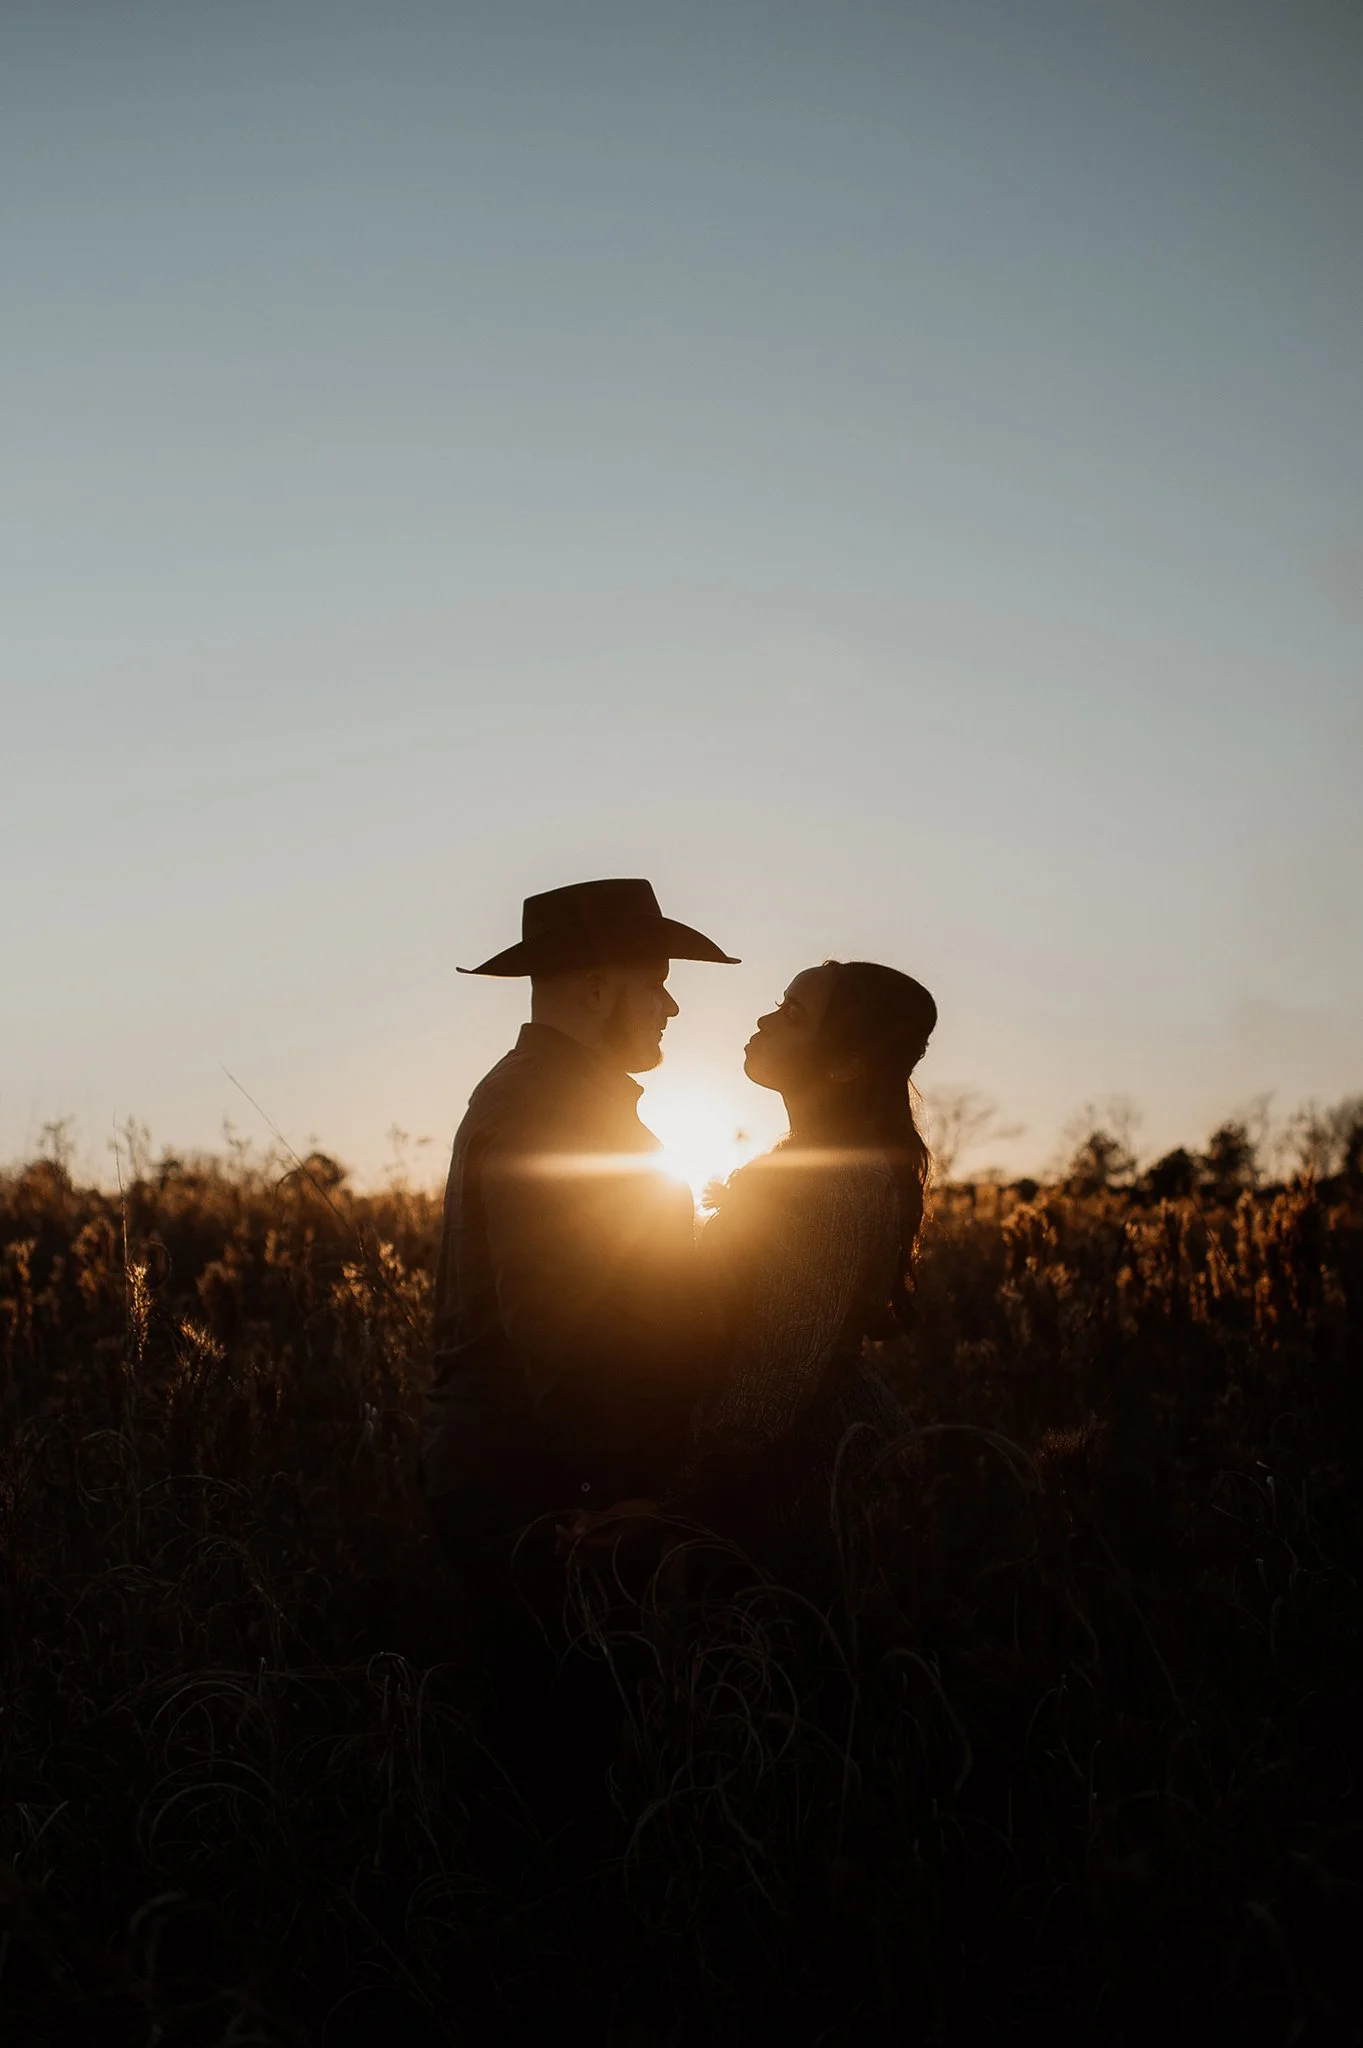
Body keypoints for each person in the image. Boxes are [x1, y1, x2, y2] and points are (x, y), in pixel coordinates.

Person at [420, 877, 737, 1831]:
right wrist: (616, 1486)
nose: (673, 1004)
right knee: (551, 1778)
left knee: (547, 1757)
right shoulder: (552, 1107)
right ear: (597, 989)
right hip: (546, 1486)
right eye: (656, 982)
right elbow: (561, 1323)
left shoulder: (554, 1096)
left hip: (525, 1469)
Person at [565, 959, 937, 1588]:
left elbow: (775, 1373)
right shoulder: (814, 1168)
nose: (764, 1019)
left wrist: (672, 1511)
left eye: (793, 1015)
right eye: (778, 1002)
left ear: (845, 1064)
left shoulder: (836, 1184)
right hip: (785, 1456)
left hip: (806, 1468)